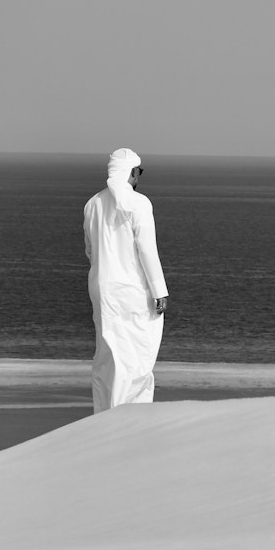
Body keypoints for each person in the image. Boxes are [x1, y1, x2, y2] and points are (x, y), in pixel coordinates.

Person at [83, 147, 170, 412]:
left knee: (108, 354)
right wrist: (160, 290)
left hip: (101, 289)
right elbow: (146, 249)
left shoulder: (92, 204)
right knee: (137, 355)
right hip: (132, 291)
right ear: (131, 172)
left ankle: (104, 414)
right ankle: (130, 416)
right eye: (138, 172)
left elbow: (89, 250)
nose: (138, 177)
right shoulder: (139, 203)